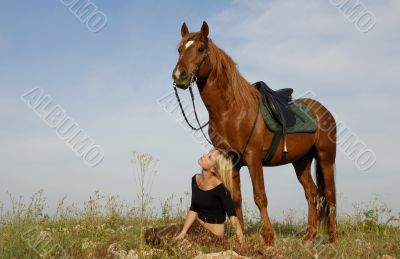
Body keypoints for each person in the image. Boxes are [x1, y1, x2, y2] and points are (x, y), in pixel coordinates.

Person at [144, 148, 245, 248]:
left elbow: (233, 216)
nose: (204, 155)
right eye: (208, 154)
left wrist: (241, 241)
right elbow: (194, 208)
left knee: (174, 244)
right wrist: (183, 232)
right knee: (151, 234)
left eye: (209, 157)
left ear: (213, 169)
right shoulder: (195, 179)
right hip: (195, 226)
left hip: (211, 236)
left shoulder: (221, 188)